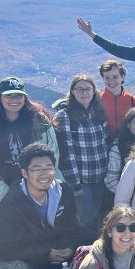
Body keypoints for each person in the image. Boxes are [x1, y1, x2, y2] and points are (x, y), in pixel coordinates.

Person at [0, 143, 94, 269]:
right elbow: (1, 248)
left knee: (105, 240)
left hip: (62, 246)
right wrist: (45, 254)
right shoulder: (10, 204)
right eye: (37, 169)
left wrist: (69, 247)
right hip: (37, 255)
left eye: (49, 168)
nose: (44, 174)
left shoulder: (64, 190)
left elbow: (70, 225)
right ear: (24, 173)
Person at [0, 77, 60, 211]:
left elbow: (53, 155)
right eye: (9, 95)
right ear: (0, 98)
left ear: (25, 98)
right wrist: (8, 198)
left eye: (19, 95)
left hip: (42, 187)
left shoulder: (40, 122)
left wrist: (40, 187)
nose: (14, 100)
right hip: (5, 193)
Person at [54, 74, 108, 230]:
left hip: (100, 175)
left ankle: (93, 244)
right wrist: (74, 184)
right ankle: (83, 247)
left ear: (93, 91)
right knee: (85, 216)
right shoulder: (64, 115)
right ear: (72, 92)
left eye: (88, 89)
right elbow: (66, 152)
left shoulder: (98, 112)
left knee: (97, 213)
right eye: (79, 89)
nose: (84, 93)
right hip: (81, 179)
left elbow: (105, 143)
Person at [104, 107, 135, 207]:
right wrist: (129, 195)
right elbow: (111, 180)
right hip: (126, 202)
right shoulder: (118, 148)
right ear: (128, 124)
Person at [97, 59, 135, 140]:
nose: (111, 81)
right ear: (103, 79)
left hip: (129, 146)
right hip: (103, 147)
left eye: (115, 77)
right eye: (107, 77)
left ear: (122, 77)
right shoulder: (96, 101)